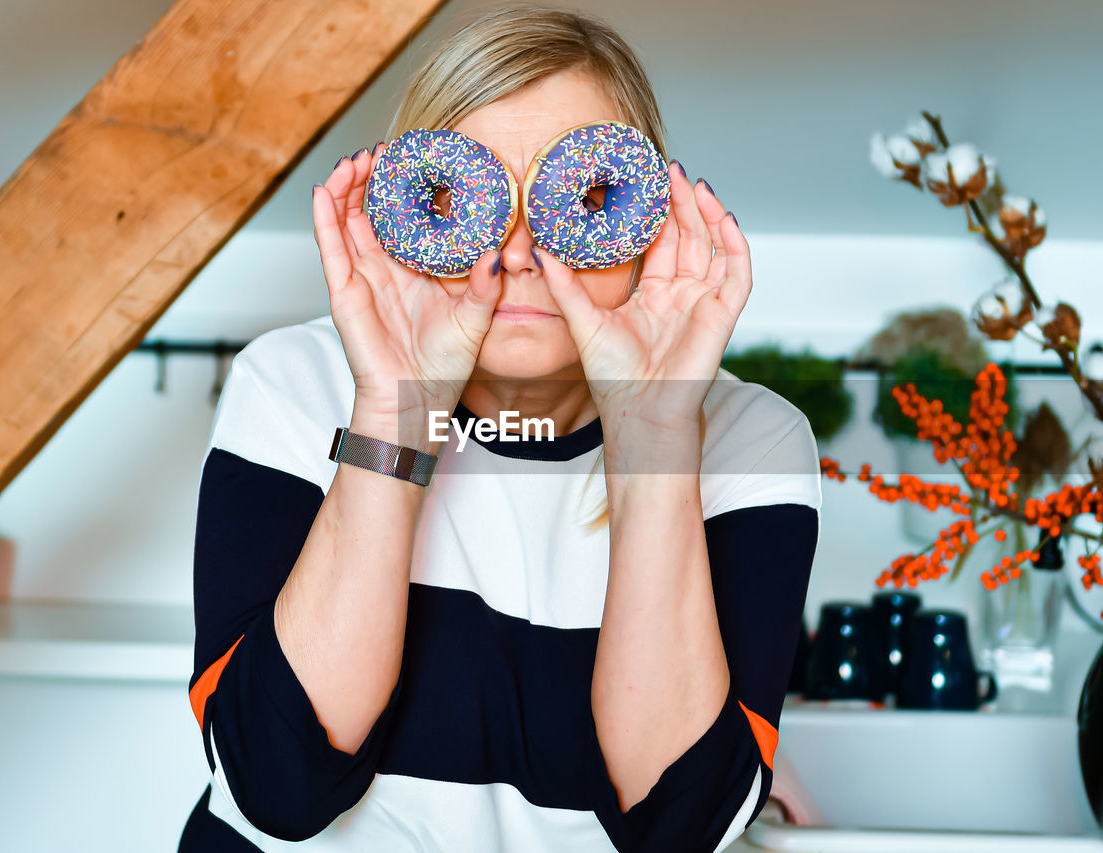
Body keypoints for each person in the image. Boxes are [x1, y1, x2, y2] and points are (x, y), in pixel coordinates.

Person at [178, 5, 821, 852]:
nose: (519, 250)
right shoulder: (298, 386)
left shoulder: (749, 442)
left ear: (651, 221)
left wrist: (654, 429)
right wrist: (398, 407)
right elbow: (276, 786)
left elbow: (676, 827)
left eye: (582, 198)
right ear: (412, 211)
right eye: (465, 198)